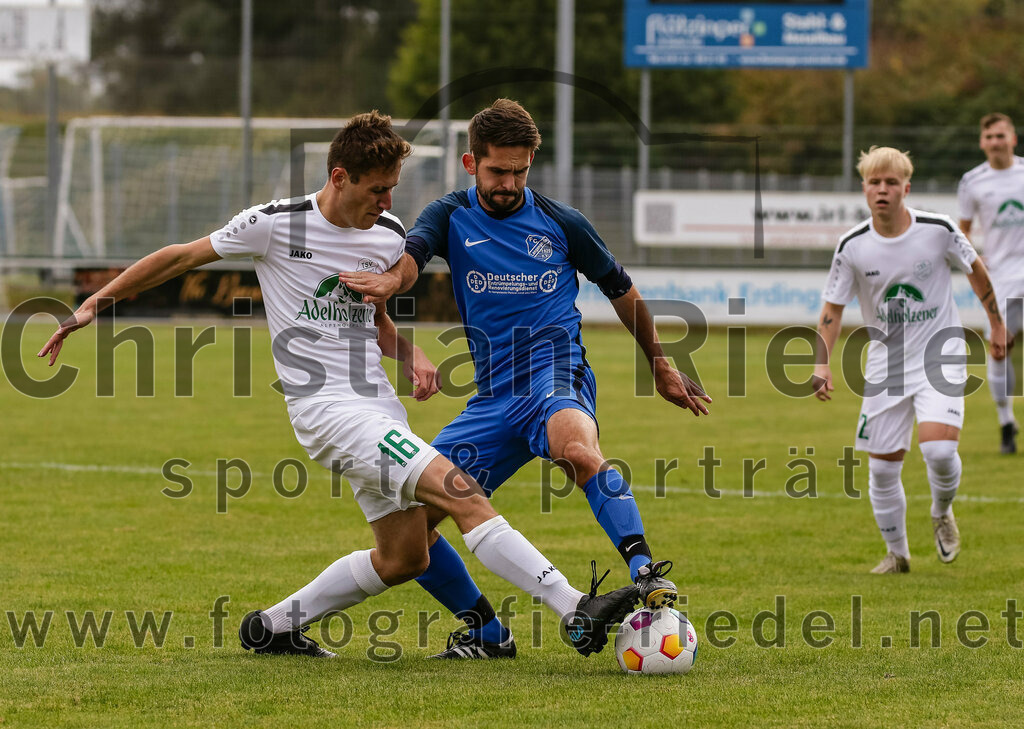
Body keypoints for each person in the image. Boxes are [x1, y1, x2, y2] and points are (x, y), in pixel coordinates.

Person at [38, 111, 638, 659]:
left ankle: (273, 627)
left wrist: (407, 352)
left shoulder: (386, 233)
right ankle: (573, 609)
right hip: (328, 411)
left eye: (393, 188)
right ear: (340, 176)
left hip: (379, 407)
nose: (387, 200)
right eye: (378, 188)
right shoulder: (274, 226)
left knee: (406, 557)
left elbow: (369, 313)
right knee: (461, 494)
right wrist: (96, 302)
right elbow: (180, 256)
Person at [339, 99, 710, 658]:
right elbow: (413, 255)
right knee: (412, 529)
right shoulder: (450, 215)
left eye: (519, 171)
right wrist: (393, 282)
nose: (509, 183)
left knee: (576, 451)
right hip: (493, 399)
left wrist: (658, 361)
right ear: (471, 163)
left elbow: (621, 289)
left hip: (554, 376)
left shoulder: (562, 222)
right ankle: (487, 633)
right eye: (497, 171)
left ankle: (646, 575)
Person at [813, 146, 1007, 574]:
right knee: (882, 471)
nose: (882, 190)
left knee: (938, 450)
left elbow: (977, 272)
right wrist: (821, 363)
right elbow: (832, 308)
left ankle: (941, 512)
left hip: (941, 354)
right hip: (886, 368)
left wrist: (996, 325)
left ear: (906, 188)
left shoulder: (938, 229)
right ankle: (898, 555)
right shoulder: (853, 245)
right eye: (874, 182)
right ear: (864, 188)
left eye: (890, 183)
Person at [957, 112, 1024, 454]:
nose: (996, 142)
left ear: (1013, 138)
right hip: (1001, 276)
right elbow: (963, 231)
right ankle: (1006, 423)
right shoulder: (973, 181)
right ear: (982, 143)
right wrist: (976, 261)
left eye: (1001, 136)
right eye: (989, 137)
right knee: (1001, 349)